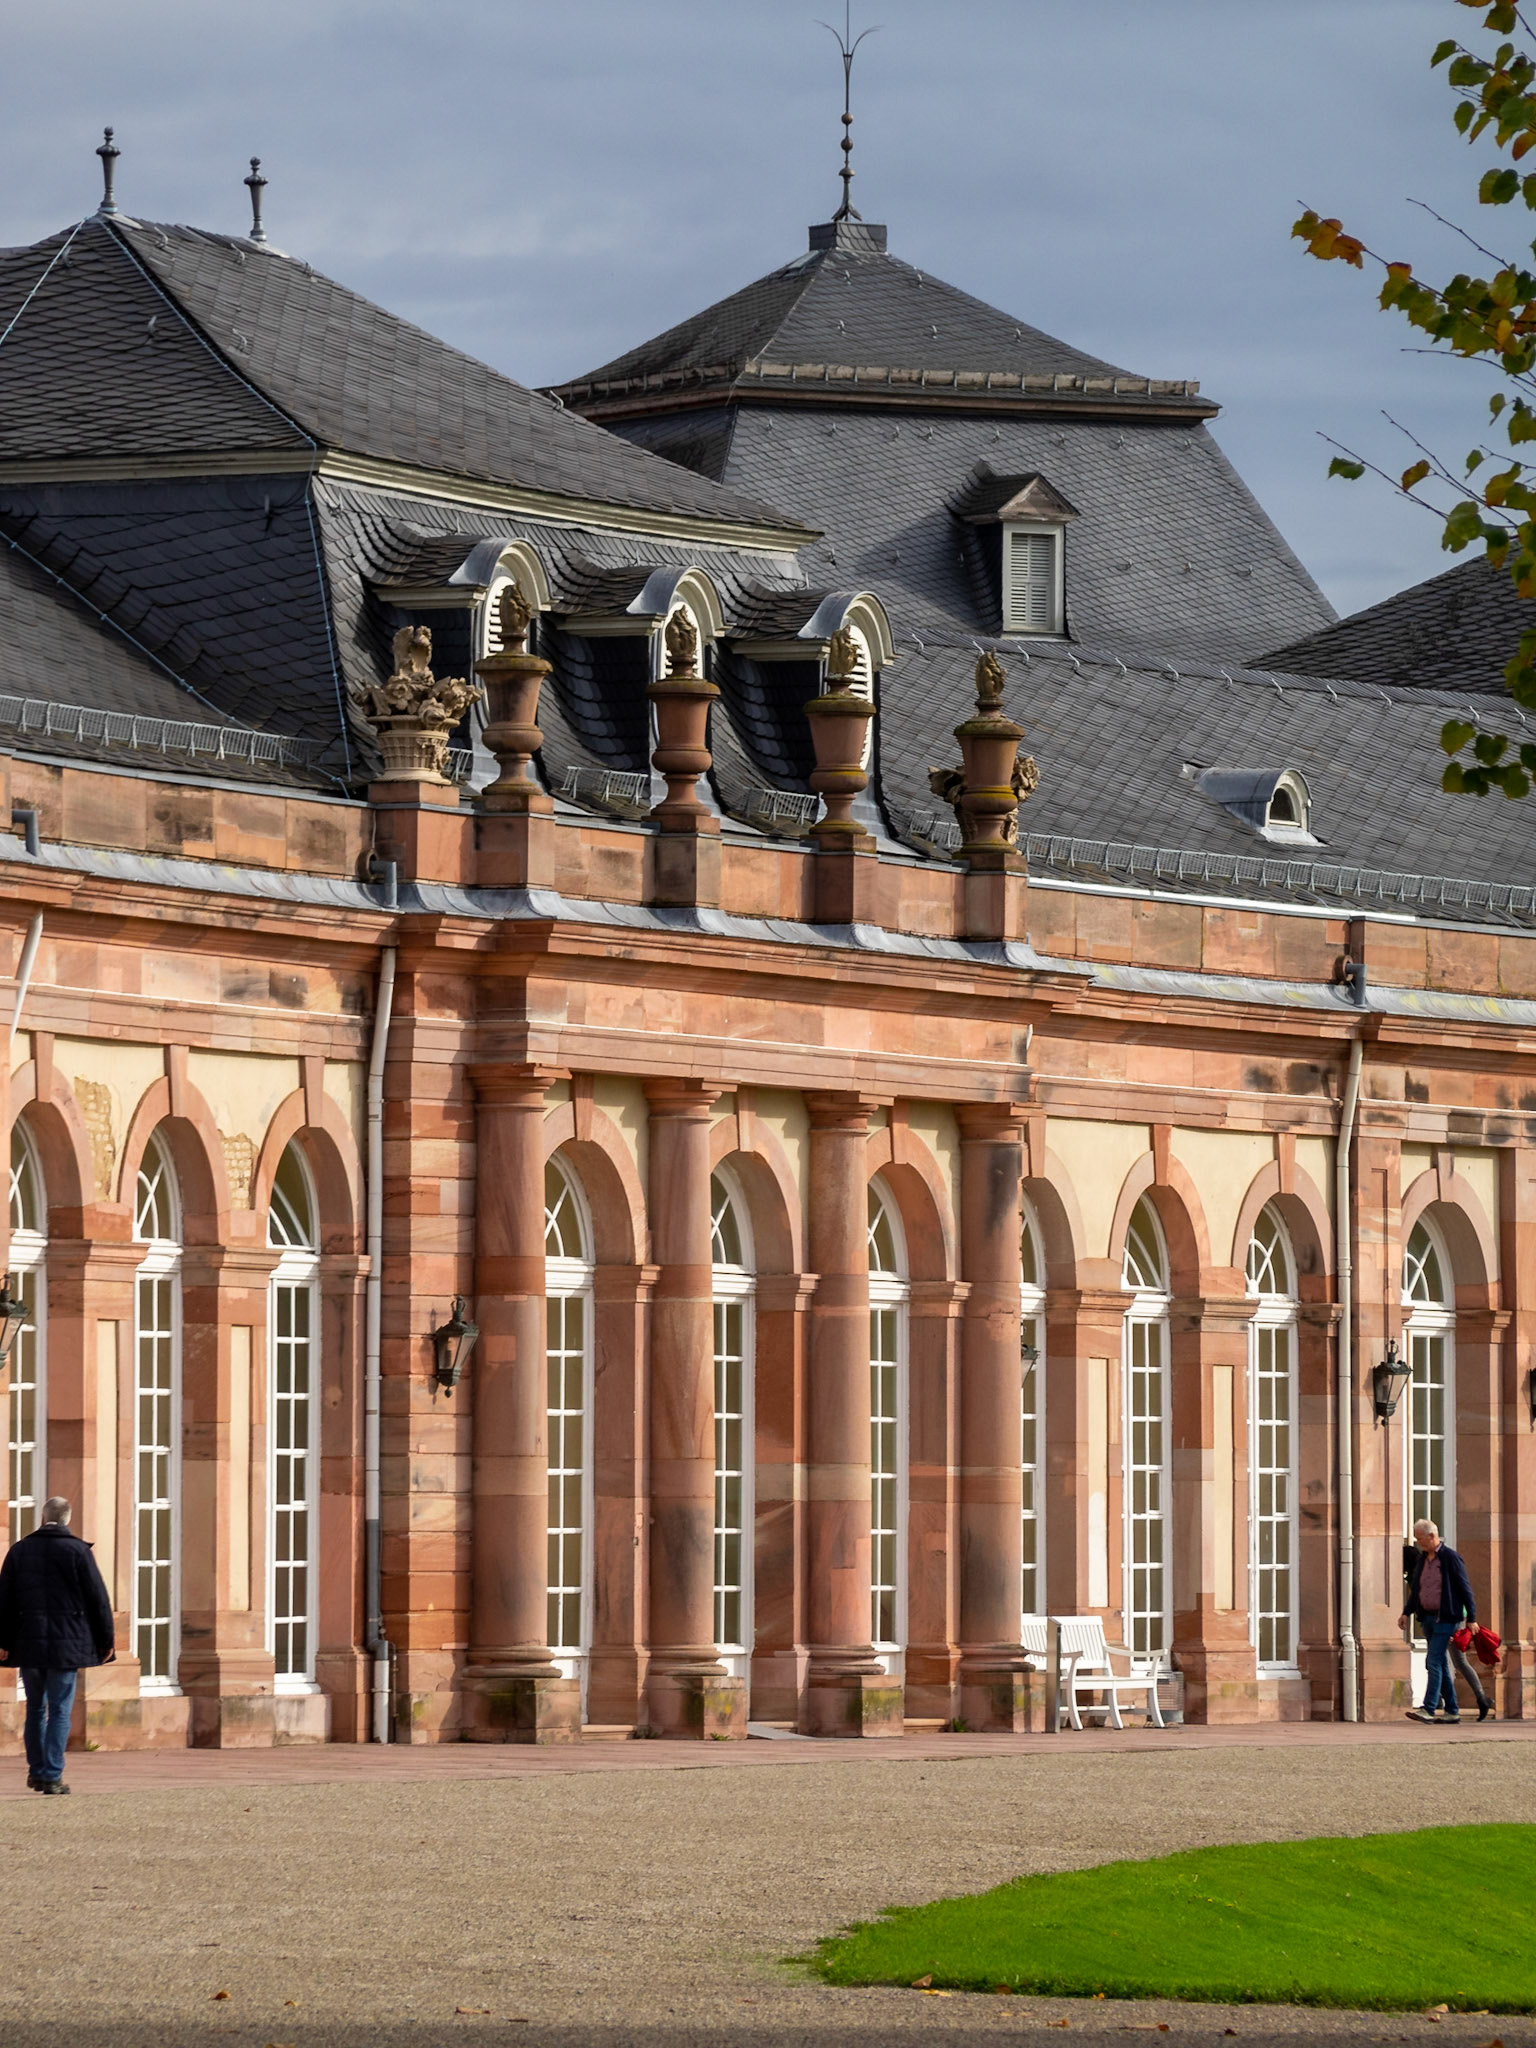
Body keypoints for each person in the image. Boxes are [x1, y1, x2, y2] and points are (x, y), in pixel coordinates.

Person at [0, 1496, 115, 1792]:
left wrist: (3, 1641)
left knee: (35, 1709)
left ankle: (37, 1771)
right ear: (67, 1519)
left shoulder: (19, 1551)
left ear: (42, 1517)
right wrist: (106, 1641)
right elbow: (98, 1600)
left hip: (29, 1643)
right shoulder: (78, 1551)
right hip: (67, 1645)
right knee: (60, 1710)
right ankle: (52, 1774)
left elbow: (4, 1602)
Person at [1399, 1517, 1479, 1725]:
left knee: (1432, 1661)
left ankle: (1429, 1708)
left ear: (1432, 1536)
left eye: (1420, 1539)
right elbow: (1417, 1590)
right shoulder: (1423, 1560)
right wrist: (1406, 1613)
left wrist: (1471, 1617)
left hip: (1447, 1618)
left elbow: (1465, 1588)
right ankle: (1452, 1710)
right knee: (1441, 1663)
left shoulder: (1451, 1558)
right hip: (1427, 1617)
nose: (1418, 1543)